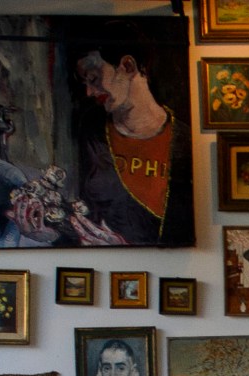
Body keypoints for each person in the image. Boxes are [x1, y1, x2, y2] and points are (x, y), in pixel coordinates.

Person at [66, 25, 191, 246]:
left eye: (94, 79)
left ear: (127, 66)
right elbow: (81, 220)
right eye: (84, 83)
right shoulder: (91, 131)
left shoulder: (185, 141)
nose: (89, 92)